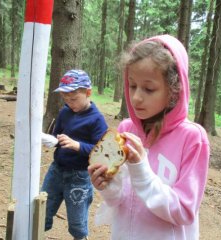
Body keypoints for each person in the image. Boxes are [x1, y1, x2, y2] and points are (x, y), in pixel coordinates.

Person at [88, 35, 210, 240]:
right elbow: (120, 200)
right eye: (132, 85)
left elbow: (185, 211)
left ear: (173, 91)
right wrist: (107, 185)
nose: (136, 97)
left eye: (149, 88)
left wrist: (141, 171)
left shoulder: (192, 138)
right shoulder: (127, 129)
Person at [41, 69, 108, 240]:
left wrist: (77, 145)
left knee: (77, 223)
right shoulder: (65, 112)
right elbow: (58, 135)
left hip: (79, 175)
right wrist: (53, 140)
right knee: (42, 212)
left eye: (73, 99)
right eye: (65, 99)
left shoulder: (97, 120)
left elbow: (102, 152)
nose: (70, 103)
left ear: (88, 93)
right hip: (56, 170)